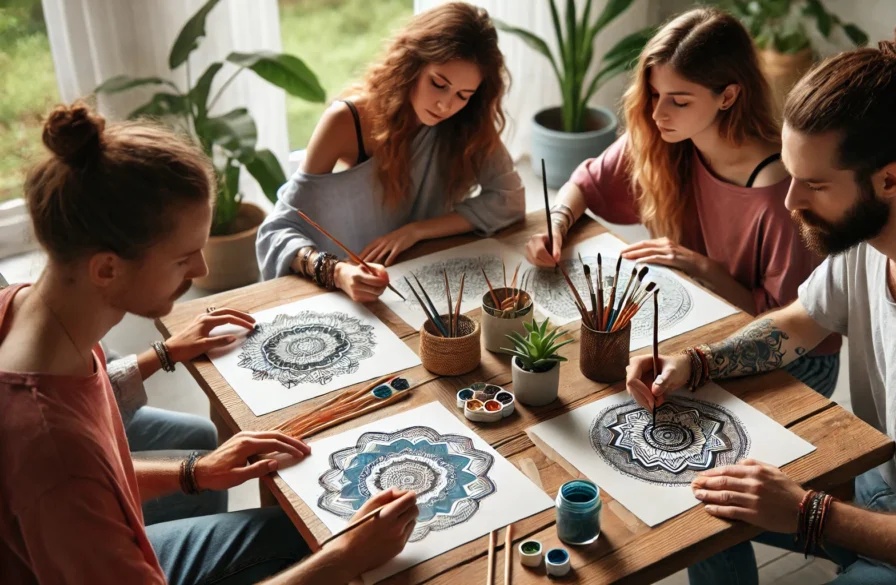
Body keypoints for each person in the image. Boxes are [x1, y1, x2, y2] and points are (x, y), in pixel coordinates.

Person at [625, 19, 896, 585]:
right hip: (880, 485)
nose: (790, 201)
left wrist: (808, 512)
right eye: (791, 176)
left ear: (889, 180)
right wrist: (698, 362)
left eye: (813, 185)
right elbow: (796, 324)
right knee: (701, 495)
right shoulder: (875, 235)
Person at [0, 102, 419, 585]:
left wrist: (194, 473)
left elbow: (103, 482)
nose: (201, 272)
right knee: (327, 549)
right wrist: (342, 560)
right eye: (183, 259)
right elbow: (78, 481)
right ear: (107, 268)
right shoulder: (54, 456)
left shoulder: (39, 311)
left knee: (289, 523)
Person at [524, 7, 841, 397]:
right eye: (655, 94)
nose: (658, 112)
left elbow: (779, 320)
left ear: (728, 96)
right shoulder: (666, 138)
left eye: (679, 100)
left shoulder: (779, 192)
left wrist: (697, 264)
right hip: (711, 323)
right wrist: (556, 224)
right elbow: (586, 183)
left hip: (792, 360)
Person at [257, 2, 525, 303]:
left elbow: (509, 198)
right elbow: (278, 230)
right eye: (438, 84)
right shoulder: (348, 121)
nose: (445, 106)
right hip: (342, 288)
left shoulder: (465, 122)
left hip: (416, 279)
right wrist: (337, 272)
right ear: (411, 64)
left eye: (463, 95)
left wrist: (416, 231)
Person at [104, 309, 258, 525]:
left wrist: (166, 352)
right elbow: (88, 480)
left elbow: (93, 387)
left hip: (91, 423)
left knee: (200, 433)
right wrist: (193, 473)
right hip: (76, 514)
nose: (201, 273)